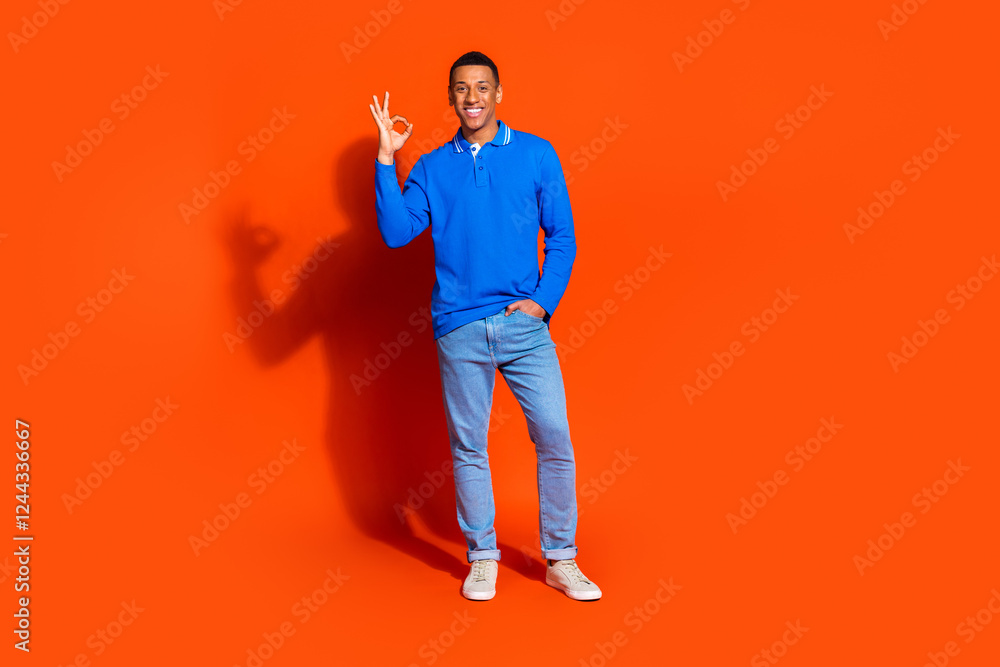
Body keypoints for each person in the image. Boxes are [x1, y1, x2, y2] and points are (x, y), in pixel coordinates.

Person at [369, 51, 600, 602]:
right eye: (461, 89)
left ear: (499, 93)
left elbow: (563, 236)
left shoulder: (537, 155)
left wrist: (542, 303)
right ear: (450, 98)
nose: (471, 98)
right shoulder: (429, 166)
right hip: (459, 328)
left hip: (523, 325)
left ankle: (561, 558)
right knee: (469, 445)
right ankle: (482, 556)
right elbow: (397, 233)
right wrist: (385, 159)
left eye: (481, 87)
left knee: (554, 435)